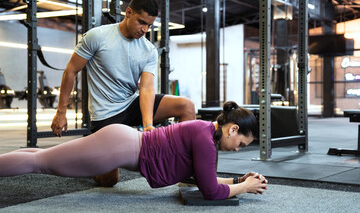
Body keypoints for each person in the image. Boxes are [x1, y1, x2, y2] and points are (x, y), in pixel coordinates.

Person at [51, 0, 195, 186]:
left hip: (131, 104)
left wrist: (147, 125)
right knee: (109, 180)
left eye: (149, 25)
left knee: (186, 106)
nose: (144, 29)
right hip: (106, 115)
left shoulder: (148, 50)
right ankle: (90, 160)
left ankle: (185, 170)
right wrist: (61, 112)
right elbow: (71, 71)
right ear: (128, 13)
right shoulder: (98, 36)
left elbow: (146, 88)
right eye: (141, 22)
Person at [0, 101, 267, 200]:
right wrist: (245, 188)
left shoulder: (204, 132)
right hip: (116, 146)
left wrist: (238, 181)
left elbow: (204, 178)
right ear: (232, 130)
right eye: (241, 144)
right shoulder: (206, 140)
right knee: (41, 163)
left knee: (39, 157)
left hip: (119, 142)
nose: (237, 150)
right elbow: (210, 191)